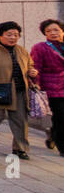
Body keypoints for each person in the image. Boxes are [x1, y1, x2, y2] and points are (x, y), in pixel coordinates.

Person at [0, 21, 39, 160]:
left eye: (16, 35)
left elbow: (29, 64)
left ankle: (20, 148)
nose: (13, 37)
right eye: (9, 34)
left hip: (19, 91)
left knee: (20, 121)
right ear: (0, 35)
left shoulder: (21, 50)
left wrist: (32, 71)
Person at [31, 19, 64, 155]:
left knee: (60, 117)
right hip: (52, 88)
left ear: (62, 31)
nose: (53, 33)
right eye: (48, 31)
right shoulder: (40, 48)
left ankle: (52, 134)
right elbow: (36, 67)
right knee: (61, 116)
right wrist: (36, 83)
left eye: (56, 30)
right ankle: (62, 146)